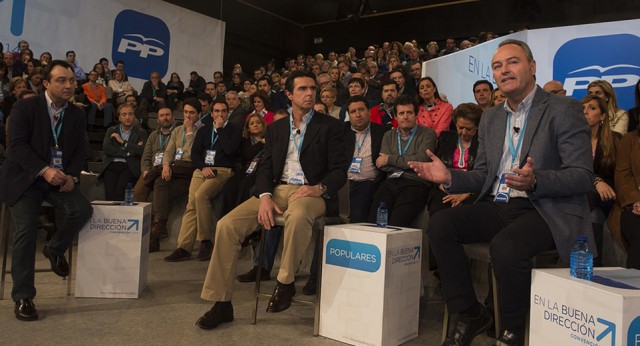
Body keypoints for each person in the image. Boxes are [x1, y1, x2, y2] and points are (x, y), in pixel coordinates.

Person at [409, 39, 594, 345]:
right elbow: (483, 175)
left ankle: (510, 332)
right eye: (497, 65)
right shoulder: (492, 117)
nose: (504, 69)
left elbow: (583, 176)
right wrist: (449, 177)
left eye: (513, 62)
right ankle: (470, 313)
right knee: (441, 223)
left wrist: (536, 181)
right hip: (500, 205)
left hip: (545, 209)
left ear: (532, 67)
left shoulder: (563, 109)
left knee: (506, 247)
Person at [196, 70, 347, 330]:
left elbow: (339, 170)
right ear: (288, 94)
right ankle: (221, 303)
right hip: (276, 191)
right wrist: (265, 196)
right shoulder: (276, 128)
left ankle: (285, 283)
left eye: (312, 88)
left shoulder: (331, 126)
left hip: (311, 193)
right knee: (227, 225)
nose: (310, 93)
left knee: (297, 215)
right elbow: (265, 167)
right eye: (302, 89)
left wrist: (318, 187)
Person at [0, 60, 93, 321]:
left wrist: (73, 175)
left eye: (71, 81)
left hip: (59, 178)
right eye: (61, 80)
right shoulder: (24, 107)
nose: (68, 85)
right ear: (46, 83)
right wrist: (44, 170)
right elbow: (16, 148)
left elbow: (79, 150)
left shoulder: (76, 113)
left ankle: (53, 249)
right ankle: (23, 296)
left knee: (82, 209)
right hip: (25, 179)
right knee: (26, 229)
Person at [163, 100, 242, 262]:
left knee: (200, 196)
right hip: (202, 170)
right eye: (217, 111)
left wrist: (220, 129)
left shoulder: (234, 130)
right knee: (191, 204)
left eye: (223, 111)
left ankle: (205, 241)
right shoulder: (204, 130)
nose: (220, 114)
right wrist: (203, 167)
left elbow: (230, 150)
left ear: (227, 113)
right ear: (211, 114)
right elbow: (195, 154)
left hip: (223, 170)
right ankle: (183, 247)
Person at [368, 95, 436, 226]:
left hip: (415, 183)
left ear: (416, 115)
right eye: (401, 113)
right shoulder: (388, 135)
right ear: (395, 116)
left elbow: (422, 161)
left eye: (409, 112)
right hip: (391, 182)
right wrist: (407, 163)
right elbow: (381, 165)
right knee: (374, 223)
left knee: (396, 225)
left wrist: (390, 159)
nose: (405, 117)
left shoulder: (428, 134)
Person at [148, 98, 205, 251]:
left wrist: (189, 131)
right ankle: (159, 226)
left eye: (192, 113)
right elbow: (169, 151)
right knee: (160, 183)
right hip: (175, 168)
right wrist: (166, 165)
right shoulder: (177, 130)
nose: (188, 116)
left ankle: (157, 230)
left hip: (191, 169)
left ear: (199, 114)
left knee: (159, 184)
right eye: (185, 112)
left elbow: (193, 153)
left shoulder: (204, 130)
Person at [580, 95, 620, 266]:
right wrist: (596, 181)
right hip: (582, 196)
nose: (585, 112)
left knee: (591, 198)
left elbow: (617, 176)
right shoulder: (572, 139)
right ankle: (593, 267)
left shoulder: (616, 140)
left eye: (592, 108)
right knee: (593, 216)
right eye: (582, 108)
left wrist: (599, 183)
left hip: (607, 196)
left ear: (603, 116)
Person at [99, 104, 147, 201]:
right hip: (111, 164)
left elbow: (141, 150)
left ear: (134, 116)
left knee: (120, 192)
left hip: (129, 166)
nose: (128, 117)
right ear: (119, 118)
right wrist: (128, 152)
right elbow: (107, 148)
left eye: (130, 114)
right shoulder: (111, 130)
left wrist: (123, 142)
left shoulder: (141, 132)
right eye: (124, 115)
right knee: (110, 194)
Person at [609, 125, 640, 269]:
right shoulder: (630, 140)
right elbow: (622, 178)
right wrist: (636, 201)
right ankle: (635, 287)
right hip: (631, 206)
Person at [133, 106, 174, 204]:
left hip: (167, 169)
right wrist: (146, 170)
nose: (165, 118)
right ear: (157, 120)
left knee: (158, 193)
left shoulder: (177, 134)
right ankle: (146, 217)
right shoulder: (153, 135)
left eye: (167, 115)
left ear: (173, 118)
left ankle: (155, 217)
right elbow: (146, 157)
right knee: (138, 191)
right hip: (152, 169)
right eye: (162, 115)